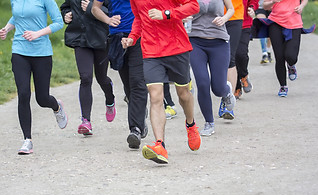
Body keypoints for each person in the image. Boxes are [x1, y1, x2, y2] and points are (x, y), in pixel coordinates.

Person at [122, 0, 201, 164]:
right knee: (155, 96)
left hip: (176, 47)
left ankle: (191, 124)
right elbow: (139, 18)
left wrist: (166, 14)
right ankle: (160, 145)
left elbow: (193, 6)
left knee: (183, 94)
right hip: (151, 50)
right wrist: (132, 37)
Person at [0, 0, 68, 155]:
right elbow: (17, 17)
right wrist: (7, 28)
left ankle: (56, 106)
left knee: (42, 99)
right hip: (19, 50)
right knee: (23, 94)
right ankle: (27, 140)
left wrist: (37, 33)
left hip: (41, 53)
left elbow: (58, 23)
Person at [92, 0, 148, 150]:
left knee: (137, 82)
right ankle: (140, 114)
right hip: (118, 38)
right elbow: (95, 8)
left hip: (140, 37)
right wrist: (108, 19)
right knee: (128, 87)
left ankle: (135, 129)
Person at [60, 0, 115, 136]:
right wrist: (66, 15)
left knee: (101, 78)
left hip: (101, 37)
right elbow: (66, 6)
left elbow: (114, 12)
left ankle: (110, 99)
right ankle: (86, 121)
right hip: (80, 38)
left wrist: (93, 9)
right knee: (85, 78)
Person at [188, 0, 236, 136]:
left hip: (219, 41)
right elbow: (179, 11)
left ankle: (226, 91)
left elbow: (231, 9)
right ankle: (209, 123)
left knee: (218, 89)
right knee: (202, 83)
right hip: (195, 41)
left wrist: (224, 18)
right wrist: (184, 18)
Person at [263, 0, 310, 97]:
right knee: (279, 57)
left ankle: (291, 65)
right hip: (275, 23)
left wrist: (301, 6)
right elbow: (265, 6)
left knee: (291, 56)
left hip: (294, 23)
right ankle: (283, 86)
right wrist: (273, 2)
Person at [218, 0, 243, 120]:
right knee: (218, 59)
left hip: (234, 16)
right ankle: (223, 92)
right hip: (211, 18)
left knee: (230, 58)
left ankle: (229, 102)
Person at [234, 0, 259, 99]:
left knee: (241, 54)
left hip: (244, 23)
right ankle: (237, 87)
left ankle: (244, 75)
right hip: (227, 23)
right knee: (231, 57)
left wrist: (252, 7)